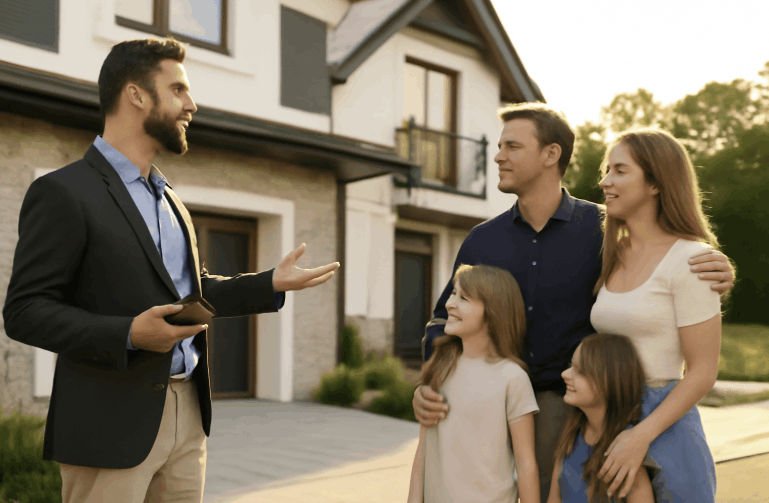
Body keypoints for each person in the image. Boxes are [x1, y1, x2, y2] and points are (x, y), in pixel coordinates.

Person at [2, 38, 339, 502]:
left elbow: (189, 293)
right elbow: (25, 312)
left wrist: (268, 283)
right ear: (136, 95)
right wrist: (128, 334)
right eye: (178, 89)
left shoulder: (170, 199)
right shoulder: (63, 192)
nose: (191, 104)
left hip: (188, 416)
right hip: (109, 426)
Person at [412, 103, 734, 502]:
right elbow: (444, 320)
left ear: (551, 154)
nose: (498, 156)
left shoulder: (600, 232)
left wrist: (715, 270)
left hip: (569, 408)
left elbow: (664, 266)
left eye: (512, 146)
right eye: (499, 146)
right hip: (488, 402)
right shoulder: (484, 240)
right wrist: (431, 382)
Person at [589, 128, 721, 502]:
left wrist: (640, 436)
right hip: (609, 416)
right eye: (606, 170)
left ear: (655, 184)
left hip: (666, 423)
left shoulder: (693, 259)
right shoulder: (610, 253)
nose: (605, 182)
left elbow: (703, 371)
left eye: (619, 170)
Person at [407, 264, 540, 503]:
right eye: (453, 293)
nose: (450, 304)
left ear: (493, 312)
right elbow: (423, 451)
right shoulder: (441, 368)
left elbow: (526, 464)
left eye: (463, 298)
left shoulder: (513, 378)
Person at [547, 333, 654, 503]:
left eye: (579, 371)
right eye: (570, 366)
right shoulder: (571, 433)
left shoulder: (627, 452)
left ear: (609, 381)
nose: (565, 374)